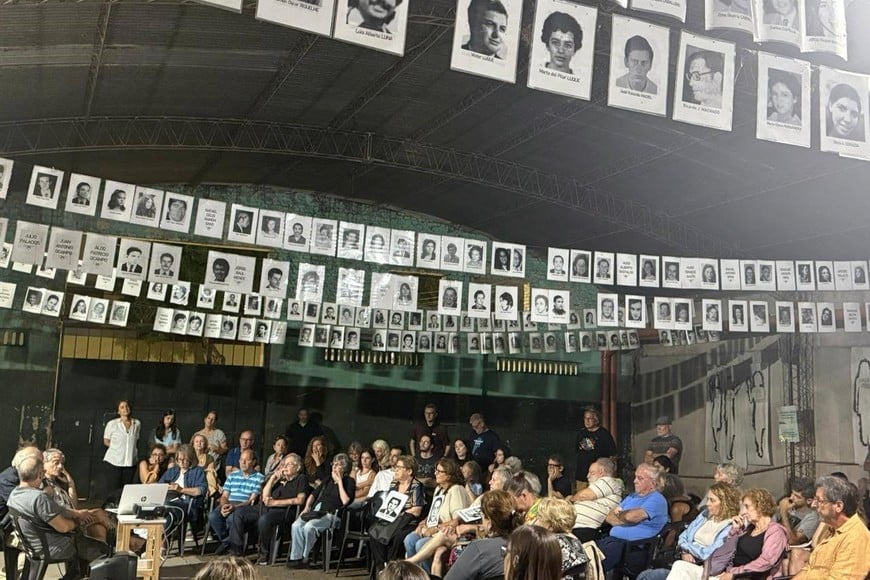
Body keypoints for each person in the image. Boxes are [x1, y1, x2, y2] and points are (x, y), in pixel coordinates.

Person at [7, 455, 109, 579]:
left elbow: (55, 509)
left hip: (34, 546)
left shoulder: (15, 495)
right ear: (40, 475)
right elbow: (64, 527)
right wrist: (79, 522)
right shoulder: (39, 498)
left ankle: (74, 575)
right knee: (102, 551)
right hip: (54, 547)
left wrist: (77, 514)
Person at [638, 482, 742, 580]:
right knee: (644, 575)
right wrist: (684, 551)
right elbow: (684, 536)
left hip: (703, 567)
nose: (707, 503)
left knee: (655, 575)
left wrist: (688, 548)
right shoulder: (705, 515)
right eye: (708, 499)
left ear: (725, 503)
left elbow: (708, 553)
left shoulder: (729, 527)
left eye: (712, 500)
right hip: (684, 559)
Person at [232, 453, 308, 564]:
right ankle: (236, 552)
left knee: (264, 519)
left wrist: (274, 502)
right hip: (266, 507)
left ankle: (264, 554)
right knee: (239, 512)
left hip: (284, 511)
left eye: (289, 464)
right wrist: (273, 479)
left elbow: (300, 500)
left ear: (298, 467)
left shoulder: (301, 479)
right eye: (284, 464)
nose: (285, 467)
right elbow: (264, 497)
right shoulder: (279, 481)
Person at [595, 464, 668, 572]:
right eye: (635, 477)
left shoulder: (656, 499)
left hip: (635, 548)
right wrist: (625, 517)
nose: (634, 481)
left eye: (640, 478)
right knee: (588, 551)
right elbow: (609, 517)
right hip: (614, 542)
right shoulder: (632, 497)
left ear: (653, 483)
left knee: (594, 565)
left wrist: (620, 515)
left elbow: (631, 517)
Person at [793, 476, 870, 579]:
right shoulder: (832, 529)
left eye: (820, 501)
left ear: (838, 506)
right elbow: (809, 568)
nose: (813, 505)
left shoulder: (856, 538)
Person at [286, 454, 355, 568]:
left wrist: (340, 482)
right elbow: (313, 494)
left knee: (309, 527)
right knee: (296, 525)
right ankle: (295, 557)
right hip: (316, 511)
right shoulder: (327, 479)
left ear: (344, 468)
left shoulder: (349, 481)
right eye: (334, 464)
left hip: (332, 514)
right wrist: (307, 507)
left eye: (338, 465)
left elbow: (345, 501)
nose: (334, 467)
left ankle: (305, 557)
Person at [403, 458, 470, 571]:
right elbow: (433, 514)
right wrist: (423, 523)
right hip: (433, 530)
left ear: (448, 475)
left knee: (420, 544)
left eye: (439, 471)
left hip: (447, 534)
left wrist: (434, 529)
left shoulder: (456, 490)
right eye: (436, 470)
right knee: (409, 539)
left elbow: (457, 520)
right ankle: (413, 575)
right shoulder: (439, 489)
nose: (435, 473)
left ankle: (427, 576)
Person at [210, 449, 264, 555]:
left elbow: (251, 500)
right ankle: (227, 543)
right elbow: (224, 495)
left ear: (253, 462)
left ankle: (231, 547)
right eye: (241, 460)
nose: (243, 463)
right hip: (228, 502)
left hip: (243, 507)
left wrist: (235, 507)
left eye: (247, 460)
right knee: (213, 517)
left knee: (231, 519)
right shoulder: (232, 475)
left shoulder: (259, 478)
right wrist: (224, 505)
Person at [568, 458, 624, 542]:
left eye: (592, 472)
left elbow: (584, 495)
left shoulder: (608, 481)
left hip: (583, 528)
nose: (587, 476)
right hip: (574, 526)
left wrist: (570, 499)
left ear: (601, 472)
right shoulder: (602, 489)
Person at [534, 498, 590, 576]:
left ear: (551, 525)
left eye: (539, 517)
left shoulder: (550, 545)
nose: (535, 522)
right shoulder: (575, 541)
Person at [160, 444, 207, 533]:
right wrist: (167, 487)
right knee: (166, 510)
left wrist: (181, 490)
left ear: (191, 459)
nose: (181, 462)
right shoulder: (172, 471)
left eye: (184, 459)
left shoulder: (197, 471)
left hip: (187, 504)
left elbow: (200, 491)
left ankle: (161, 540)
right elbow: (159, 487)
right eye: (179, 459)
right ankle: (162, 540)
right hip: (170, 501)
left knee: (166, 506)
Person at [103, 399, 141, 493]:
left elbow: (136, 439)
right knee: (114, 488)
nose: (125, 409)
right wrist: (118, 449)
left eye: (127, 406)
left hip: (130, 462)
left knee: (126, 489)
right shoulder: (112, 424)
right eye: (122, 407)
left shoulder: (137, 424)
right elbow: (106, 441)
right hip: (114, 462)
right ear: (118, 411)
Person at [574, 407, 616, 490]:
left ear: (596, 420)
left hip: (598, 476)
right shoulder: (580, 433)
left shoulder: (604, 434)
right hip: (582, 475)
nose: (587, 421)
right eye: (585, 418)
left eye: (590, 418)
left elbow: (612, 455)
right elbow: (576, 450)